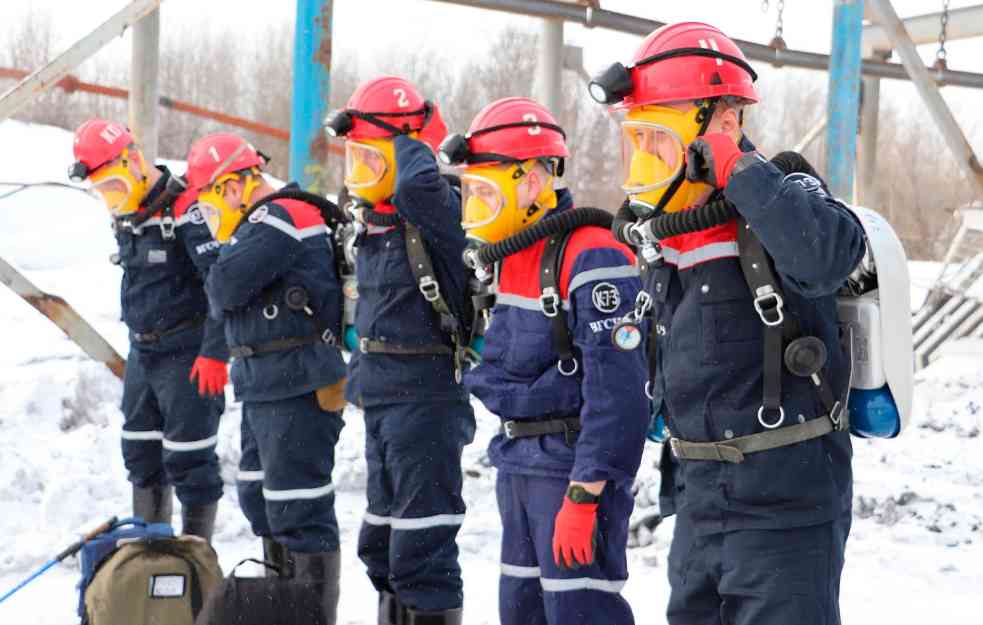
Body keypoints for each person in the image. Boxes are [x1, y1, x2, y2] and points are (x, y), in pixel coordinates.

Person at [590, 22, 867, 625]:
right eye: (634, 139)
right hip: (698, 503)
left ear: (720, 124)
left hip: (785, 510)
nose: (644, 159)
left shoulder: (783, 194)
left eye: (655, 139)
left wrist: (738, 170)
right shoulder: (670, 231)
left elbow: (831, 254)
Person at [448, 97, 649, 625]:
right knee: (522, 612)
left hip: (570, 470)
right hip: (519, 464)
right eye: (471, 193)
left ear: (533, 182)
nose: (474, 208)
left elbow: (620, 396)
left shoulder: (591, 254)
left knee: (579, 613)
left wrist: (585, 496)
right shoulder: (512, 257)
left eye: (484, 192)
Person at [324, 76, 475, 625]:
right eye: (354, 158)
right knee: (382, 547)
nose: (359, 173)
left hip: (427, 400)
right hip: (384, 399)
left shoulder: (435, 208)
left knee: (423, 552)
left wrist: (411, 135)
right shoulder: (374, 223)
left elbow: (415, 185)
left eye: (372, 157)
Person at [183, 132, 348, 624]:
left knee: (300, 510)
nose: (211, 217)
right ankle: (285, 608)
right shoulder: (260, 225)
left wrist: (216, 253)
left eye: (212, 201)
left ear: (234, 186)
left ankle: (310, 615)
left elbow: (224, 287)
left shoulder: (280, 217)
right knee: (261, 496)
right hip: (267, 382)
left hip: (297, 382)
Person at [70, 119, 226, 540]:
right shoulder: (128, 215)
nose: (112, 199)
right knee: (140, 453)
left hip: (187, 352)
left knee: (190, 459)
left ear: (134, 160)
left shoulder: (187, 210)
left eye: (115, 186)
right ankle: (152, 559)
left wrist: (215, 351)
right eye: (103, 192)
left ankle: (195, 562)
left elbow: (222, 286)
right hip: (144, 352)